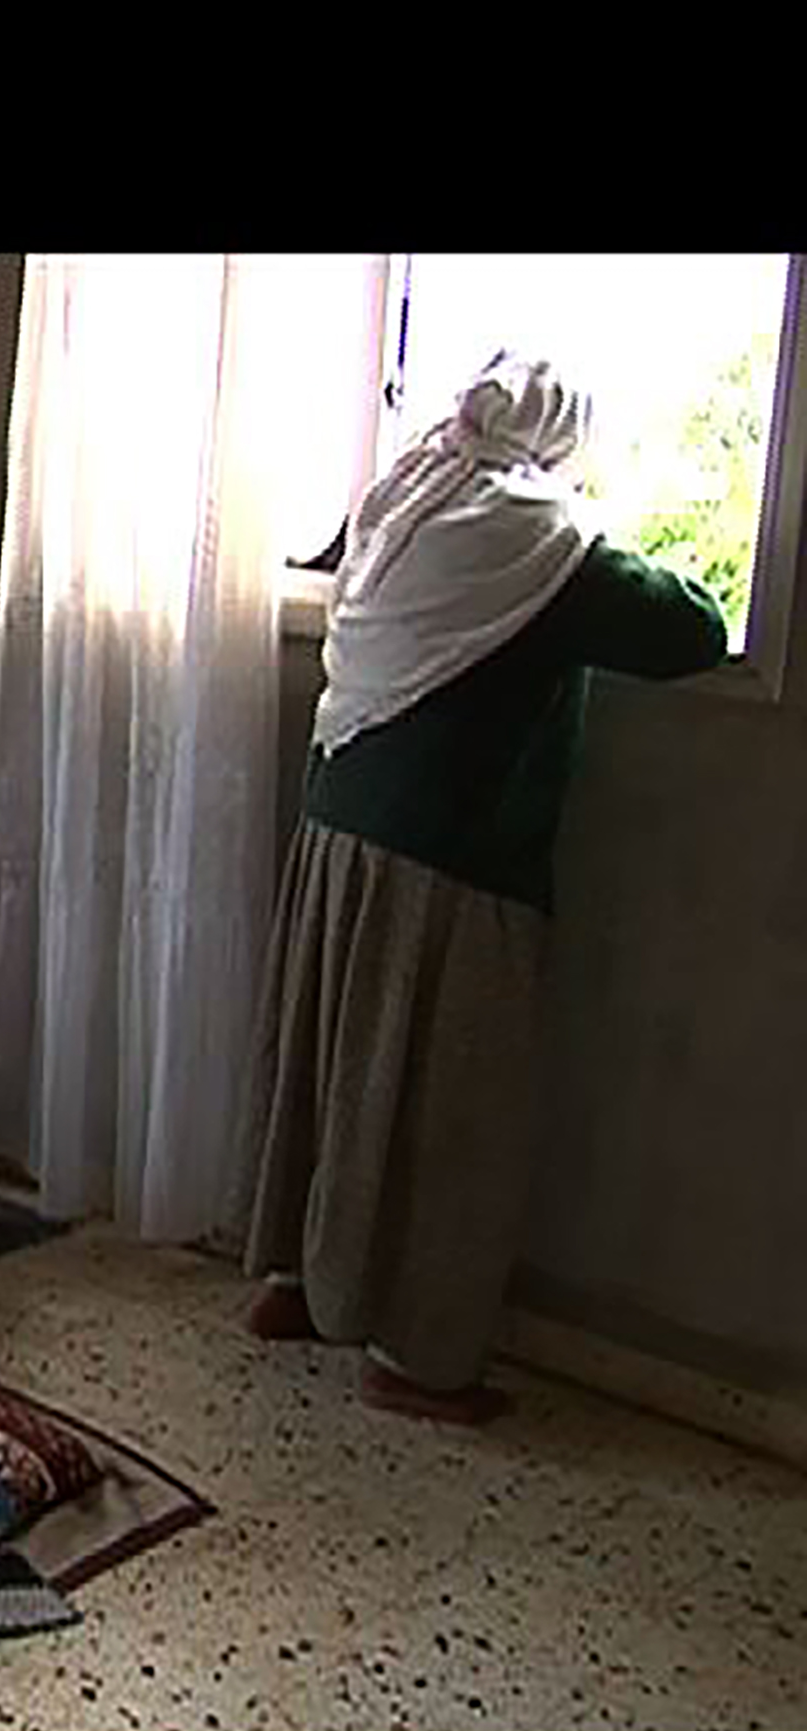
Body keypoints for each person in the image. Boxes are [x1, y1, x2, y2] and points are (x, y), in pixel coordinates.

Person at [231, 353, 727, 1423]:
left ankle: (295, 1284)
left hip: (338, 828)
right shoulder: (544, 543)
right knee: (450, 1106)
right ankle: (416, 1355)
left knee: (327, 1067)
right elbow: (690, 629)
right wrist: (594, 521)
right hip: (451, 859)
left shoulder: (407, 495)